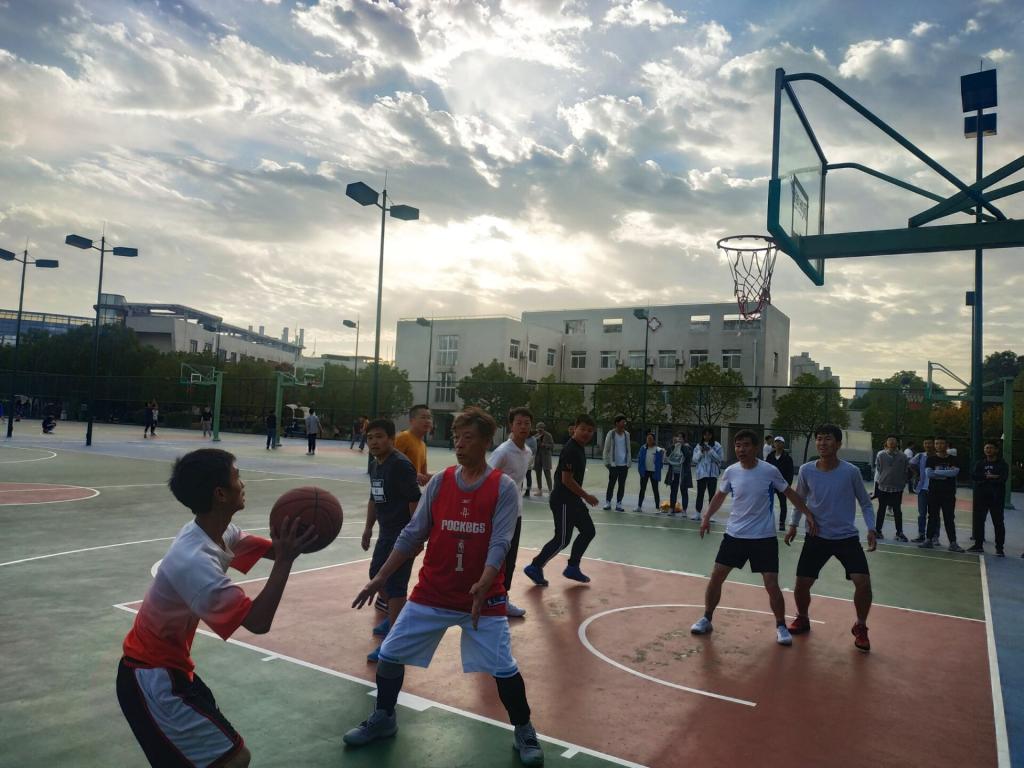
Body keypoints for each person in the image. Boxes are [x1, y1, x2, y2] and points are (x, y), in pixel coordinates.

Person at [344, 408, 544, 766]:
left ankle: (524, 728)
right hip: (433, 592)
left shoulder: (503, 487)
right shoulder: (440, 482)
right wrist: (380, 577)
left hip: (482, 598)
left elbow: (501, 540)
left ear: (486, 442)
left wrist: (486, 579)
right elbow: (412, 534)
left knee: (504, 668)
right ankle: (384, 717)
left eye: (468, 438)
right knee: (389, 655)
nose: (459, 444)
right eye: (456, 437)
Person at [116, 449, 316, 768]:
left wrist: (302, 534)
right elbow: (258, 622)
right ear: (220, 494)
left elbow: (276, 551)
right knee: (234, 759)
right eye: (237, 477)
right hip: (152, 678)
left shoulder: (217, 532)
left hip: (168, 670)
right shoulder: (194, 561)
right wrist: (286, 559)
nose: (243, 483)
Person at [690, 430, 814, 647]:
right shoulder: (731, 471)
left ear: (756, 448)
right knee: (716, 577)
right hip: (734, 535)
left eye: (746, 445)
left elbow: (790, 494)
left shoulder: (770, 471)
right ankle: (707, 618)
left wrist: (808, 514)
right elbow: (719, 496)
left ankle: (781, 626)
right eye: (738, 445)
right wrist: (706, 517)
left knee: (771, 584)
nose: (741, 449)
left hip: (763, 538)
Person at [785, 424, 877, 652]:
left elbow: (865, 503)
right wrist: (793, 524)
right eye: (819, 439)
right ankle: (803, 617)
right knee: (801, 585)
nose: (822, 443)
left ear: (838, 444)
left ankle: (861, 626)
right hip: (816, 536)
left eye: (827, 439)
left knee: (863, 584)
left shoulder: (851, 472)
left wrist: (871, 528)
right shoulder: (806, 470)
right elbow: (799, 500)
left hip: (846, 538)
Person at [362, 418, 423, 661]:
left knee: (395, 585)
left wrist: (415, 537)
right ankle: (395, 619)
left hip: (402, 534)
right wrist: (368, 528)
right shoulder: (376, 465)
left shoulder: (400, 465)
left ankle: (393, 643)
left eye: (379, 436)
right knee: (376, 574)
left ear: (391, 439)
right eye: (370, 438)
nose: (374, 442)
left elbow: (415, 501)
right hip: (386, 532)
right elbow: (374, 497)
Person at [524, 414, 599, 585]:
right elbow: (567, 480)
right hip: (563, 500)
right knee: (562, 539)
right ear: (575, 428)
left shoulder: (579, 448)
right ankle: (535, 566)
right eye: (583, 429)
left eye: (590, 430)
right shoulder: (571, 449)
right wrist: (586, 496)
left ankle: (573, 567)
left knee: (588, 531)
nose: (586, 433)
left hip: (573, 500)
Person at [488, 407, 535, 618]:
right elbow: (487, 477)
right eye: (519, 423)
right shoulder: (503, 452)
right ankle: (484, 597)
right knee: (495, 557)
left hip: (516, 513)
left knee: (510, 558)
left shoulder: (528, 452)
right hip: (497, 514)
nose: (523, 427)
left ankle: (502, 599)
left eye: (527, 423)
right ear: (511, 426)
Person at [919, 437, 964, 552]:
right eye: (937, 443)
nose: (939, 445)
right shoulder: (931, 459)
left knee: (949, 518)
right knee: (932, 517)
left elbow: (954, 472)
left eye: (941, 443)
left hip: (948, 493)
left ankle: (953, 543)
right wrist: (946, 474)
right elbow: (929, 474)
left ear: (946, 445)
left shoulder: (953, 459)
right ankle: (929, 540)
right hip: (934, 492)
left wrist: (937, 472)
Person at [968, 441, 1009, 556]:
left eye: (991, 448)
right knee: (979, 521)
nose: (988, 450)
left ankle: (999, 548)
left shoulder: (1002, 464)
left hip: (996, 497)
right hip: (981, 496)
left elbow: (1002, 478)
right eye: (986, 448)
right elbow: (974, 476)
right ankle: (978, 545)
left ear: (996, 450)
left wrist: (986, 478)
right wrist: (989, 476)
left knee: (998, 522)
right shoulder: (980, 463)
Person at [874, 435, 909, 541]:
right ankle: (878, 531)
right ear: (886, 442)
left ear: (897, 443)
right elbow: (879, 469)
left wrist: (902, 482)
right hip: (883, 487)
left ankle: (899, 532)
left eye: (893, 440)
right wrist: (883, 480)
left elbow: (905, 471)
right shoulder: (881, 455)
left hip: (897, 488)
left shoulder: (903, 456)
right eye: (889, 440)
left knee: (897, 510)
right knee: (881, 509)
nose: (891, 442)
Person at [395, 404, 433, 486]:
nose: (427, 421)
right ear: (411, 421)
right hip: (396, 490)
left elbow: (423, 475)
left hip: (411, 490)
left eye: (429, 418)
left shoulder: (423, 445)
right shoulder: (403, 437)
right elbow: (389, 464)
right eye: (423, 417)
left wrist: (441, 477)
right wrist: (413, 475)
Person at [691, 428, 723, 521]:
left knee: (712, 495)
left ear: (712, 435)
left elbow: (720, 459)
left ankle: (710, 515)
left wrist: (710, 450)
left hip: (712, 474)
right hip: (701, 474)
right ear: (703, 435)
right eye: (705, 434)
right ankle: (697, 514)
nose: (707, 436)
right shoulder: (698, 446)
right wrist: (701, 451)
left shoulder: (717, 445)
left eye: (709, 434)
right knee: (700, 494)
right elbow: (694, 459)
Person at [601, 414, 631, 511]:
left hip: (624, 465)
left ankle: (619, 503)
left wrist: (628, 462)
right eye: (622, 422)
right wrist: (606, 462)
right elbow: (606, 449)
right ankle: (608, 502)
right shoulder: (611, 434)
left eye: (625, 422)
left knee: (621, 485)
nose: (624, 424)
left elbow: (628, 449)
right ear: (617, 423)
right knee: (611, 484)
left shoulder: (627, 434)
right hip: (613, 464)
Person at [766, 436, 794, 531]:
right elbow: (766, 470)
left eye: (780, 442)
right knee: (767, 503)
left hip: (782, 484)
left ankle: (782, 523)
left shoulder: (788, 458)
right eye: (776, 442)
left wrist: (787, 485)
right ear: (774, 444)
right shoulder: (770, 456)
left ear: (783, 444)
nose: (777, 444)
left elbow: (790, 472)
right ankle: (767, 521)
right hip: (771, 484)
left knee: (783, 504)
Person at [909, 438, 935, 543]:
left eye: (929, 443)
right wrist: (917, 473)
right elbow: (911, 464)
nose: (927, 445)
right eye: (925, 443)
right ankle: (921, 535)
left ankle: (934, 536)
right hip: (922, 489)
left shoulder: (938, 457)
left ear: (933, 444)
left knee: (934, 514)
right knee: (922, 514)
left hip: (935, 490)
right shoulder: (920, 456)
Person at [634, 432, 664, 513]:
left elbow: (661, 462)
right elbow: (640, 459)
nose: (649, 440)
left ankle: (657, 508)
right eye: (648, 438)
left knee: (655, 490)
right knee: (642, 489)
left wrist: (658, 468)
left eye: (651, 438)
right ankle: (639, 507)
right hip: (645, 472)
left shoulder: (658, 450)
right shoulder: (643, 448)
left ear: (654, 440)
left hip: (654, 473)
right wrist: (640, 470)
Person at [665, 433, 693, 514]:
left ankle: (684, 510)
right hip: (674, 473)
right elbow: (667, 454)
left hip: (683, 474)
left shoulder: (687, 447)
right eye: (678, 437)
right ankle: (672, 508)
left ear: (684, 439)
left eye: (681, 437)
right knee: (673, 491)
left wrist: (683, 446)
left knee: (684, 491)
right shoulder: (673, 447)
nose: (679, 439)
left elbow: (688, 456)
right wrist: (673, 445)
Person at [532, 422, 554, 496]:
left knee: (547, 473)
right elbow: (533, 445)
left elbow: (552, 445)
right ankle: (539, 490)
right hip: (537, 457)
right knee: (538, 473)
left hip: (546, 457)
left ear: (544, 428)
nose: (540, 430)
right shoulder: (535, 436)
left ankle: (550, 490)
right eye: (538, 429)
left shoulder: (548, 435)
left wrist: (545, 445)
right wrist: (536, 441)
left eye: (541, 429)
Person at [523, 429, 538, 497]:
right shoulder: (523, 438)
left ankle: (528, 491)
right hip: (522, 458)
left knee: (528, 475)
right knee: (520, 474)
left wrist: (526, 449)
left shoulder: (533, 439)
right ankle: (519, 489)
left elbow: (534, 450)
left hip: (529, 458)